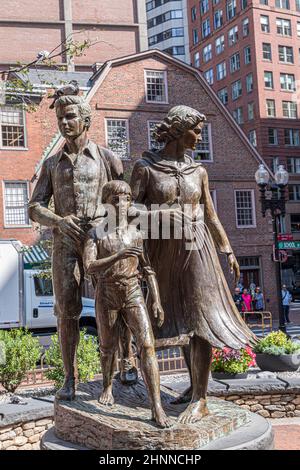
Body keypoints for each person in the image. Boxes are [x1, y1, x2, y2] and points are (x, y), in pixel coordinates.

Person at [130, 105, 256, 424]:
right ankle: (181, 389)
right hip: (162, 254)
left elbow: (210, 215)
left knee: (201, 316)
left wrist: (226, 248)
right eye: (195, 130)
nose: (199, 136)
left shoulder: (198, 171)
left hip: (198, 247)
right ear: (177, 129)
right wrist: (159, 215)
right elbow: (124, 214)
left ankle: (200, 396)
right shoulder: (146, 168)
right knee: (164, 323)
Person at [28, 89, 135, 401]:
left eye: (70, 116)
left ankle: (127, 362)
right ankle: (69, 378)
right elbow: (34, 206)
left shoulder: (107, 159)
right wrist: (58, 221)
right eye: (60, 118)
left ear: (86, 121)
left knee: (120, 299)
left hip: (103, 239)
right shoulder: (51, 165)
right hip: (65, 243)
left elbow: (123, 197)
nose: (64, 122)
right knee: (67, 311)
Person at [83, 181, 171, 428]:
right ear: (106, 204)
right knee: (107, 346)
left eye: (125, 199)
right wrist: (118, 255)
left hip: (133, 291)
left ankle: (156, 405)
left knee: (147, 345)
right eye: (115, 200)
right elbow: (89, 266)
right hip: (107, 292)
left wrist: (156, 300)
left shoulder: (136, 233)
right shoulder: (95, 234)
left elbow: (148, 269)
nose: (121, 204)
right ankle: (107, 385)